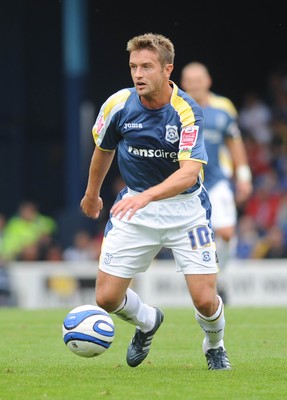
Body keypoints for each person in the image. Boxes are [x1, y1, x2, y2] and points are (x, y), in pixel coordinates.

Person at [80, 33, 231, 370]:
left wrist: (148, 195)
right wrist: (92, 195)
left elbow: (189, 173)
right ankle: (147, 321)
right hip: (134, 206)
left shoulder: (188, 111)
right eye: (134, 66)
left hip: (186, 210)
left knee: (205, 301)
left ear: (167, 70)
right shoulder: (118, 104)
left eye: (146, 66)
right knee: (105, 298)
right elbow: (102, 151)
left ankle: (214, 345)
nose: (138, 74)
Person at [180, 62, 253, 299]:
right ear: (183, 84)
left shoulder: (223, 111)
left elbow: (235, 145)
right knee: (194, 237)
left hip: (217, 179)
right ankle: (204, 282)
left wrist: (243, 178)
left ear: (208, 81)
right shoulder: (175, 110)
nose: (195, 84)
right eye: (190, 80)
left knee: (227, 233)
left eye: (199, 79)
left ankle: (221, 278)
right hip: (188, 183)